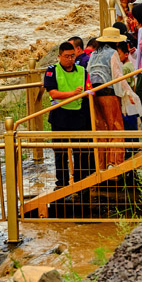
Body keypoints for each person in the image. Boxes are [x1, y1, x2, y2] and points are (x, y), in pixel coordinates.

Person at [43, 42, 91, 188]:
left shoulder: (82, 70)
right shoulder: (52, 70)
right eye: (66, 56)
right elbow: (53, 93)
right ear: (59, 56)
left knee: (81, 151)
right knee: (60, 151)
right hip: (60, 115)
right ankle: (62, 183)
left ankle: (80, 181)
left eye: (72, 56)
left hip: (79, 115)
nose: (69, 59)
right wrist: (73, 94)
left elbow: (89, 88)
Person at [86, 28, 134, 169]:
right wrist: (129, 92)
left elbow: (88, 70)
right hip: (108, 92)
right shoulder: (112, 53)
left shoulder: (94, 53)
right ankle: (114, 162)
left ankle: (101, 163)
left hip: (94, 93)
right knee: (116, 127)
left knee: (101, 128)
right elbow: (117, 74)